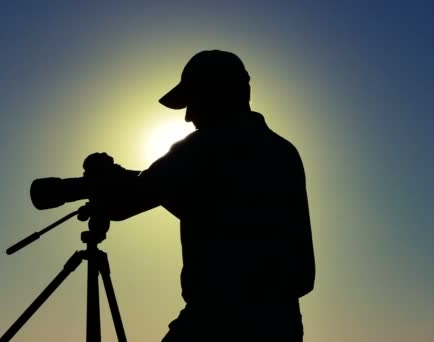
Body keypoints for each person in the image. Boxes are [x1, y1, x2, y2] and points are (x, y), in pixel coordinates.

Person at [92, 50, 316, 341]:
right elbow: (211, 196)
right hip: (281, 322)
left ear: (218, 94)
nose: (188, 116)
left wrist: (104, 181)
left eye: (193, 101)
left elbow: (124, 203)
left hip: (216, 322)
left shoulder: (202, 147)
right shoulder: (283, 152)